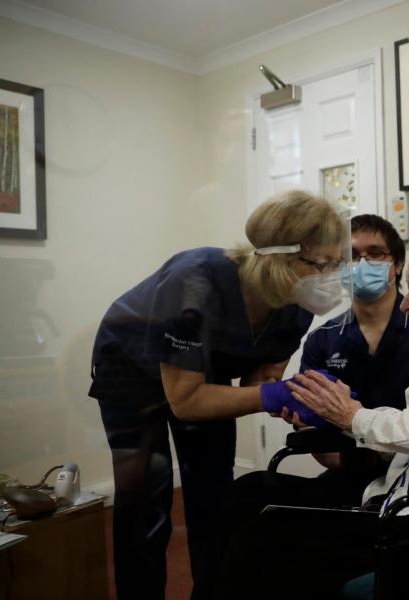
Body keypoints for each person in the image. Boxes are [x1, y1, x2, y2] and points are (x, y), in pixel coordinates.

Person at [216, 238, 409, 599]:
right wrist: (333, 416)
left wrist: (353, 416)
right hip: (404, 498)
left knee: (264, 535)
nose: (405, 303)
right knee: (250, 491)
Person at [88, 190, 348, 599]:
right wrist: (275, 396)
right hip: (129, 365)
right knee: (146, 497)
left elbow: (258, 384)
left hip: (199, 374)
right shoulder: (193, 282)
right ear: (280, 258)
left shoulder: (297, 303)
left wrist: (297, 400)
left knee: (214, 492)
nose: (331, 276)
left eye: (338, 263)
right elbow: (186, 400)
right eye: (321, 264)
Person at [232, 214, 409, 513]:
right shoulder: (322, 339)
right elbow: (311, 431)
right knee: (250, 496)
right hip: (349, 470)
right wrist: (302, 415)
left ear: (397, 264)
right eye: (351, 256)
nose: (362, 264)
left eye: (375, 253)